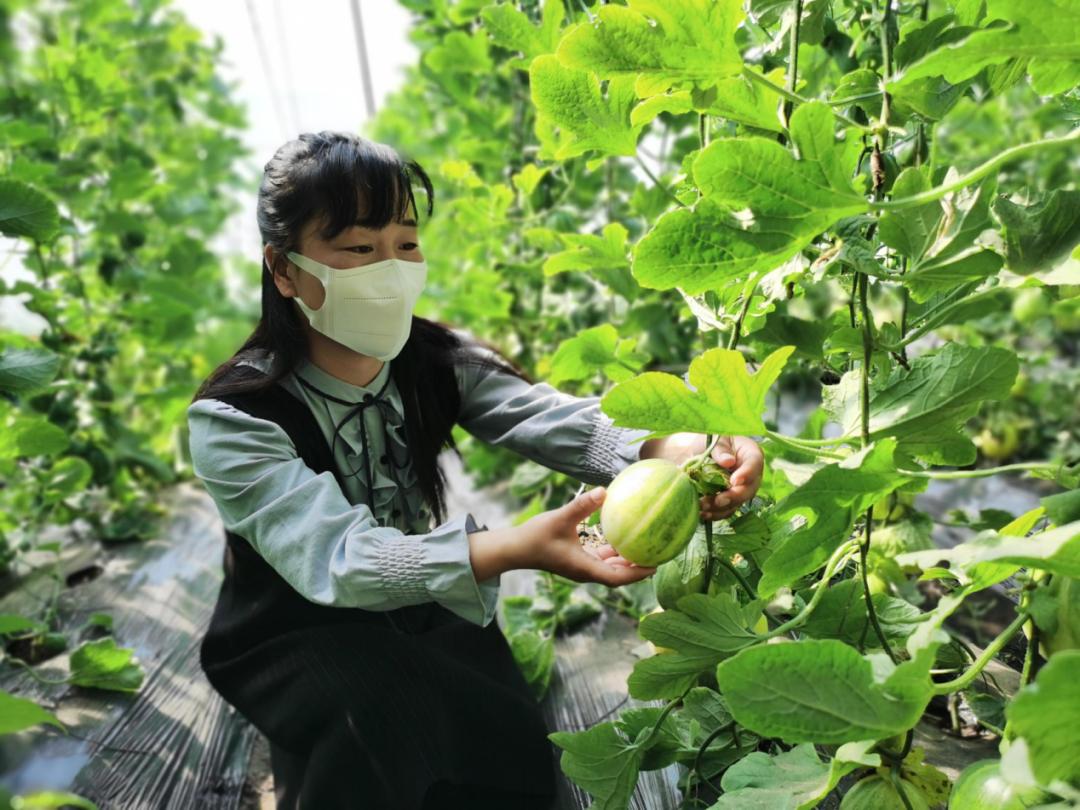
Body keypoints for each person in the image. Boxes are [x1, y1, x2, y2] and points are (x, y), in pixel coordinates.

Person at [186, 131, 763, 810]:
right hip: (291, 626)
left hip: (421, 592)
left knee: (504, 742)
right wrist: (517, 550)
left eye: (405, 243)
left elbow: (549, 417)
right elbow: (339, 559)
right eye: (359, 249)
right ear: (284, 270)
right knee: (373, 734)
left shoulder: (433, 359)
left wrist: (678, 450)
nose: (391, 267)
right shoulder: (237, 418)